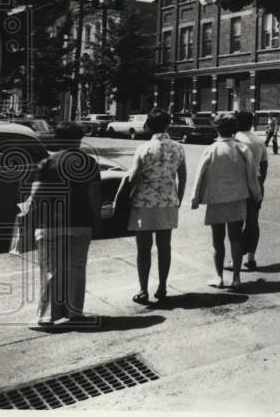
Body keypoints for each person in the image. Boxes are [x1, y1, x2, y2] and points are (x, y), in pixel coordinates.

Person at [30, 121, 101, 327]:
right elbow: (94, 196)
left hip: (49, 224)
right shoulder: (89, 163)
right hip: (80, 222)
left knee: (51, 270)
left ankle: (46, 316)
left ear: (57, 139)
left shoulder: (46, 163)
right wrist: (97, 221)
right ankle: (74, 312)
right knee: (77, 268)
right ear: (79, 140)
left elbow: (36, 194)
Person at [112, 109, 187, 305]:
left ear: (148, 126)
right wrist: (178, 199)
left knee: (143, 249)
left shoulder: (144, 148)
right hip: (168, 202)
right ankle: (162, 287)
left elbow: (134, 175)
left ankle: (143, 290)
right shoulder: (178, 148)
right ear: (168, 125)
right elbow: (183, 176)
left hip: (144, 202)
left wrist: (125, 193)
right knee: (164, 247)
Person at [190, 115, 261, 290]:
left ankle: (219, 277)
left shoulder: (211, 149)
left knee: (217, 240)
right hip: (238, 198)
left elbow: (199, 175)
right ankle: (236, 278)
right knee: (235, 238)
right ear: (234, 129)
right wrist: (256, 194)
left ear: (216, 129)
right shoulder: (243, 148)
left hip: (216, 200)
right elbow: (252, 175)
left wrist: (195, 198)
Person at [235, 111, 268, 271]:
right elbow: (264, 165)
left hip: (238, 184)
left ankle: (236, 258)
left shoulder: (235, 140)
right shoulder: (259, 141)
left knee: (236, 223)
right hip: (257, 182)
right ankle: (251, 258)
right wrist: (259, 183)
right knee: (253, 221)